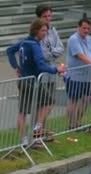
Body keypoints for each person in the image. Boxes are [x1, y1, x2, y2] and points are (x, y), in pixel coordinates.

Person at [7, 18, 67, 146]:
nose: (45, 33)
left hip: (23, 80)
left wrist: (16, 67)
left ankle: (24, 140)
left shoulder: (24, 41)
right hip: (32, 82)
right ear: (36, 31)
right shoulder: (34, 45)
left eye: (46, 30)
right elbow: (41, 65)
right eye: (43, 30)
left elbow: (10, 50)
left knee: (22, 111)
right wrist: (56, 69)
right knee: (49, 102)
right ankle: (37, 127)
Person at [33, 4, 64, 138]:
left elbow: (61, 47)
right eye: (45, 16)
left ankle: (41, 130)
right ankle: (36, 132)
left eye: (49, 16)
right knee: (43, 103)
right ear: (39, 18)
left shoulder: (53, 30)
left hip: (52, 71)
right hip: (42, 74)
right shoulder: (37, 33)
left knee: (48, 103)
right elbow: (42, 55)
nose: (48, 19)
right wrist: (53, 53)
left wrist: (52, 53)